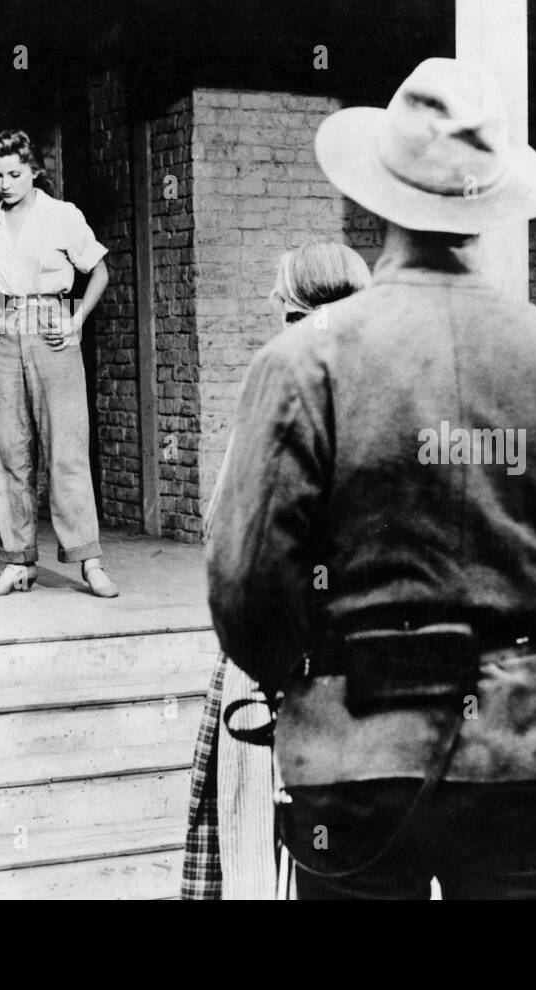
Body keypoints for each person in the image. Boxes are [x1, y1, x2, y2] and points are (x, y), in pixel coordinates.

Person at [207, 58, 536, 900]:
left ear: (375, 196)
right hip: (524, 752)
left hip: (353, 752)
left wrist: (304, 683)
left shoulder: (302, 362)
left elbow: (244, 581)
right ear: (490, 206)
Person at [183, 240, 372, 900]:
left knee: (266, 848)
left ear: (299, 309)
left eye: (280, 294)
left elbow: (233, 539)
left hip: (285, 662)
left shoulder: (279, 392)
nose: (271, 303)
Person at [0, 129, 117, 598]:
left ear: (35, 169)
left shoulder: (62, 215)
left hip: (54, 332)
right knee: (10, 452)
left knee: (66, 451)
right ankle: (17, 563)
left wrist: (76, 321)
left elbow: (99, 271)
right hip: (6, 337)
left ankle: (89, 562)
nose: (6, 183)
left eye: (15, 173)